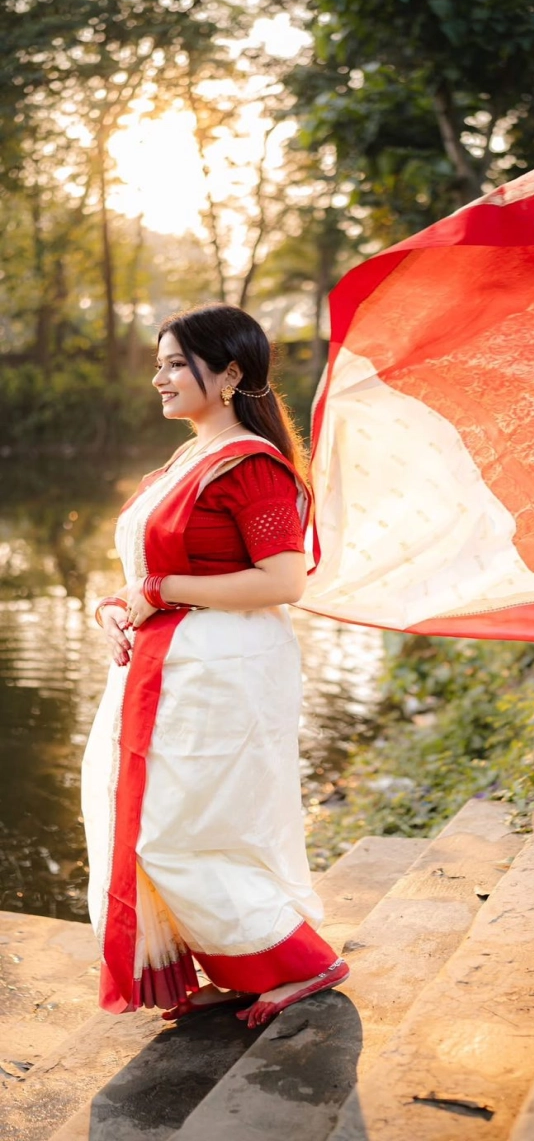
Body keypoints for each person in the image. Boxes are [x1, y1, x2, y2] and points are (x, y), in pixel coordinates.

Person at [83, 303, 348, 1027]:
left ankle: (297, 964)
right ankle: (234, 963)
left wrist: (159, 593)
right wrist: (116, 606)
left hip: (221, 675)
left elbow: (283, 579)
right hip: (168, 671)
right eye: (160, 362)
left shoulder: (252, 466)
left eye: (175, 363)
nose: (158, 377)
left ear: (230, 374)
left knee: (177, 828)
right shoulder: (184, 459)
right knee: (162, 824)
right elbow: (151, 570)